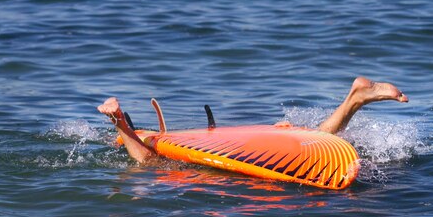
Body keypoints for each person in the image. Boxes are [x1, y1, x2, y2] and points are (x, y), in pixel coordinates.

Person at [98, 76, 408, 165]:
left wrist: (122, 129)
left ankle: (355, 99)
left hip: (238, 144)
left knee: (151, 165)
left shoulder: (161, 140)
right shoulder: (189, 136)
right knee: (313, 136)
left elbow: (148, 158)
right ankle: (354, 100)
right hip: (253, 135)